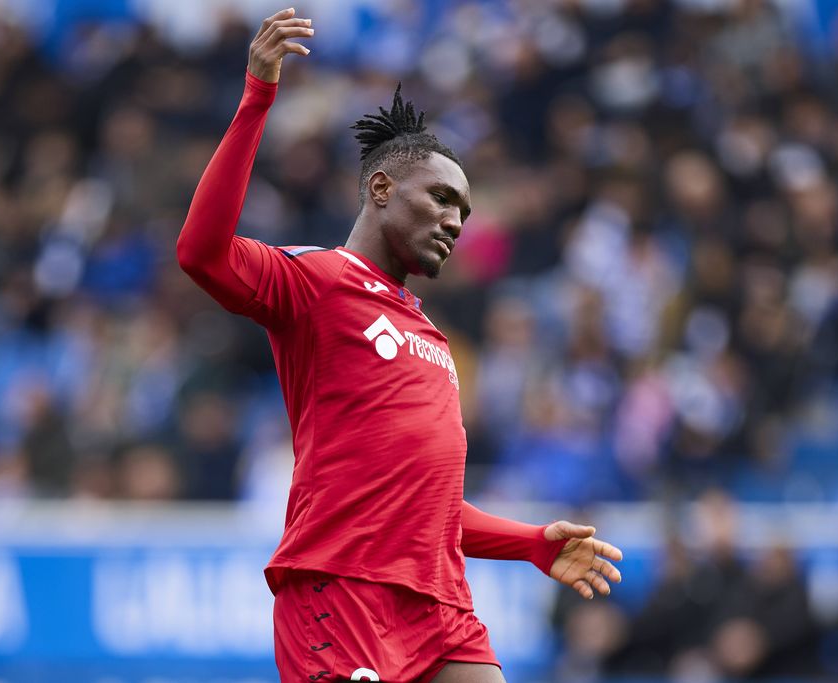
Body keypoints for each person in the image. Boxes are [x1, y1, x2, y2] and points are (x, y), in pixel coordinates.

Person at [176, 8, 623, 682]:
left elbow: (429, 507)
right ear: (382, 189)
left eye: (465, 212)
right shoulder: (319, 282)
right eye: (442, 198)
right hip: (342, 588)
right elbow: (202, 253)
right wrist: (257, 96)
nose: (454, 221)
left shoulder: (432, 338)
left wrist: (530, 543)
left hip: (439, 603)